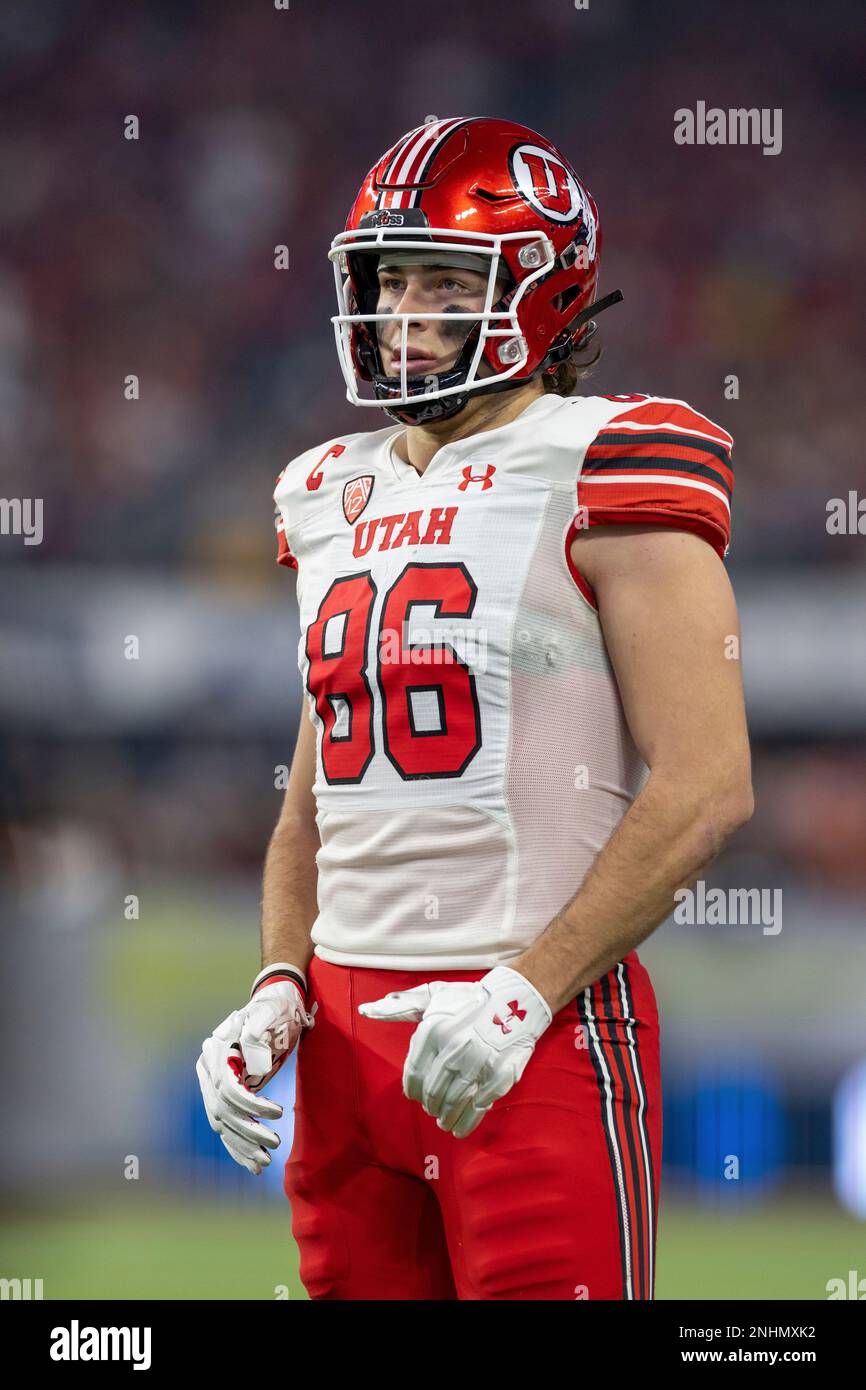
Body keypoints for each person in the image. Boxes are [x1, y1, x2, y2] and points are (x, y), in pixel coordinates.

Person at [196, 116, 753, 1300]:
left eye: (444, 280)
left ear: (542, 293)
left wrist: (521, 993)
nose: (402, 311)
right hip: (343, 1058)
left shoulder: (606, 456)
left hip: (531, 1028)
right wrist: (279, 981)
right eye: (387, 278)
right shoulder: (321, 490)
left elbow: (706, 784)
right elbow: (312, 804)